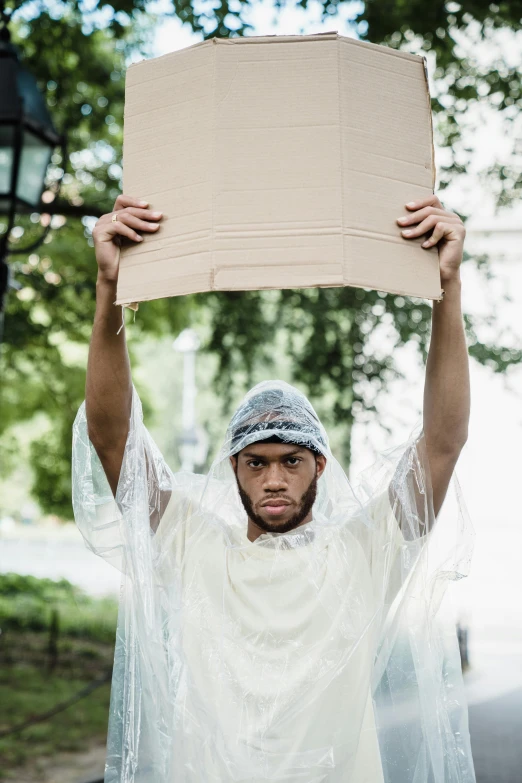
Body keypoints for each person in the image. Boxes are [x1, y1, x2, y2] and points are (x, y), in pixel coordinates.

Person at [72, 193, 476, 782]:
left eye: (291, 460)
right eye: (256, 463)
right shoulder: (195, 545)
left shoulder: (363, 553)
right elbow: (114, 441)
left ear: (319, 464)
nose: (275, 480)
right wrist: (109, 288)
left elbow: (443, 441)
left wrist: (448, 288)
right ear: (233, 468)